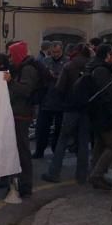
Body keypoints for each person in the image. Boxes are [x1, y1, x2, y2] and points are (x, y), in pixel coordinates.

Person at [43, 44, 92, 184]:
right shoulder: (90, 65)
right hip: (86, 108)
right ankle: (82, 175)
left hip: (70, 108)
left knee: (62, 141)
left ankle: (54, 173)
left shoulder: (69, 66)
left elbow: (59, 88)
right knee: (83, 143)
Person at [87, 44, 112, 190]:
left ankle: (95, 174)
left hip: (96, 114)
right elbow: (107, 94)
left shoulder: (93, 67)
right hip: (104, 114)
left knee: (100, 145)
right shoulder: (101, 70)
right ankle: (97, 175)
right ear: (108, 55)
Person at [6, 42, 37, 197]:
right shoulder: (23, 68)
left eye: (11, 54)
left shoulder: (27, 69)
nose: (9, 58)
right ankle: (19, 183)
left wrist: (11, 82)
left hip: (22, 114)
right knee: (18, 150)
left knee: (23, 150)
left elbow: (25, 90)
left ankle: (25, 185)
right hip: (18, 113)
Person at [33, 40, 65, 159]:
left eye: (57, 52)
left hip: (60, 101)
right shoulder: (46, 61)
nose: (55, 54)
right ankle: (39, 150)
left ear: (61, 50)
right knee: (41, 128)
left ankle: (56, 150)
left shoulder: (66, 62)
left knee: (58, 129)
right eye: (53, 52)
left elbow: (65, 79)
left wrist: (54, 76)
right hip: (46, 99)